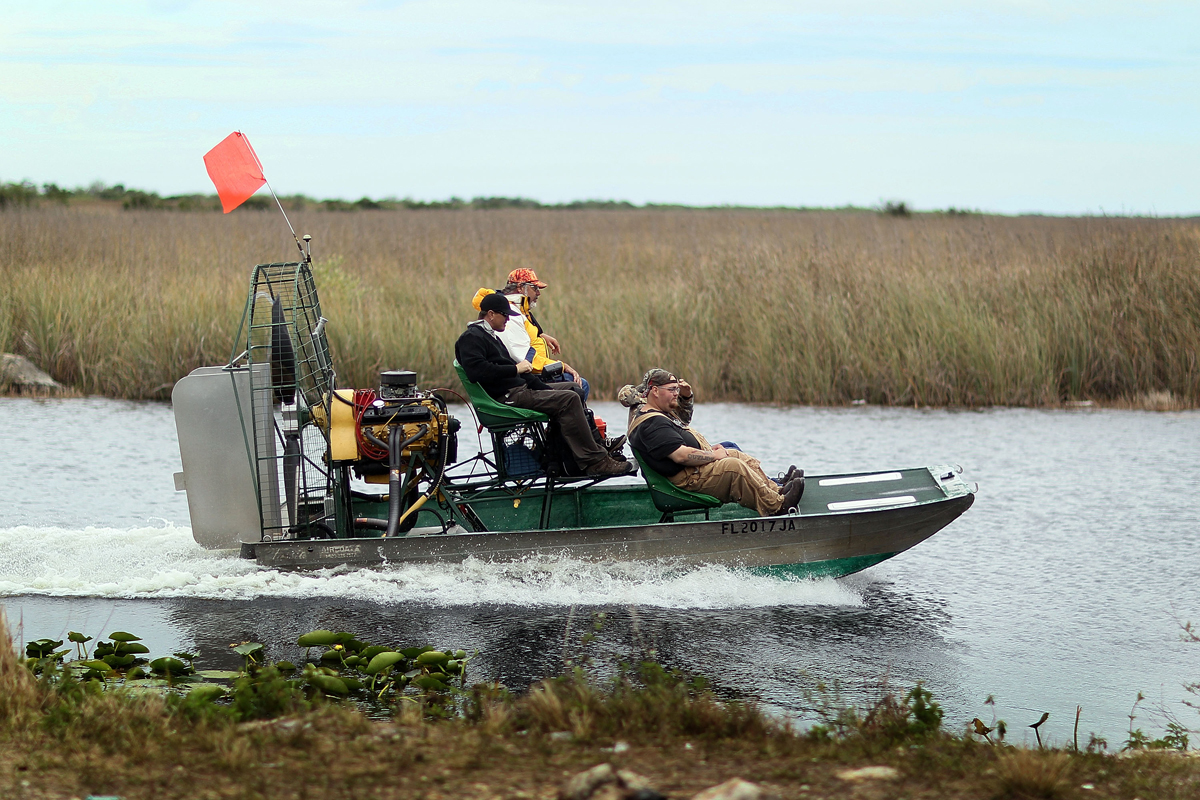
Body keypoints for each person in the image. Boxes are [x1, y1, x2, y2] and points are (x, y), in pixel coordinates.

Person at [455, 292, 633, 477]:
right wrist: (516, 369)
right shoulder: (471, 337)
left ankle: (580, 452)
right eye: (505, 315)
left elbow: (522, 373)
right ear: (491, 314)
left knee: (573, 389)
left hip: (518, 389)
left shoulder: (490, 336)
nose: (508, 320)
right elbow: (478, 371)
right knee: (569, 399)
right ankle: (594, 462)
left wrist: (547, 391)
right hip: (507, 397)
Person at [628, 370, 804, 516]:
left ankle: (775, 490)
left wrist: (707, 450)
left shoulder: (659, 413)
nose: (676, 393)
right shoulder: (651, 423)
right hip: (687, 480)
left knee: (734, 453)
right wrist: (713, 456)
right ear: (655, 391)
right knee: (733, 467)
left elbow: (677, 440)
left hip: (693, 471)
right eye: (672, 389)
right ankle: (777, 506)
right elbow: (681, 456)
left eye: (677, 389)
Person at [470, 268, 589, 401]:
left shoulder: (519, 310)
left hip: (530, 373)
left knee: (576, 384)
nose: (538, 293)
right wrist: (561, 366)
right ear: (521, 288)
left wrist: (541, 336)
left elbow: (522, 336)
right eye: (535, 288)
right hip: (527, 377)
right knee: (580, 384)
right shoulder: (511, 313)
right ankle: (569, 420)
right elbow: (522, 357)